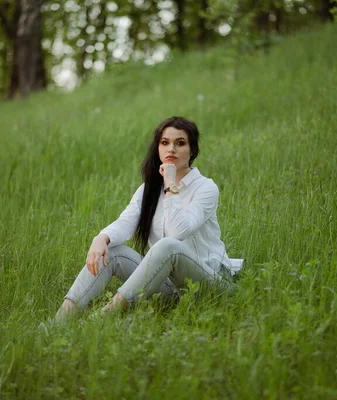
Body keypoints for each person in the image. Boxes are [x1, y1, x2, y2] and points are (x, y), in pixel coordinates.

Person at [55, 116, 233, 321]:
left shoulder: (205, 188)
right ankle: (58, 322)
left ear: (192, 150)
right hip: (169, 288)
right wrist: (101, 237)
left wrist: (169, 183)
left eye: (180, 143)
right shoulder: (148, 190)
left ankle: (102, 319)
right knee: (112, 251)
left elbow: (178, 233)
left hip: (209, 285)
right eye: (165, 143)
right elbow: (126, 222)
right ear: (158, 148)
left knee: (168, 246)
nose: (171, 149)